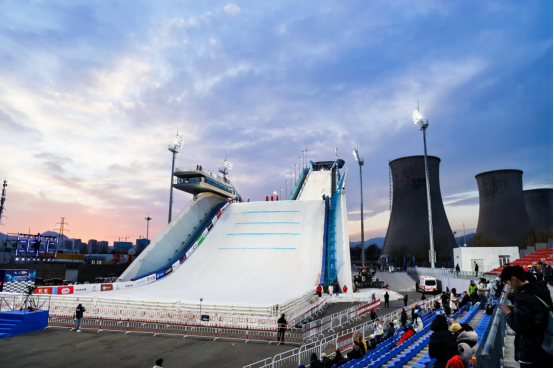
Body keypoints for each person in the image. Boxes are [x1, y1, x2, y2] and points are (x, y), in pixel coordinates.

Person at [499, 266, 553, 368]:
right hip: (546, 347)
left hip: (531, 351)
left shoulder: (521, 297)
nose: (510, 287)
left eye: (508, 283)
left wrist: (508, 313)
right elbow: (538, 311)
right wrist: (517, 310)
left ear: (514, 279)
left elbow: (519, 328)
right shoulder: (541, 288)